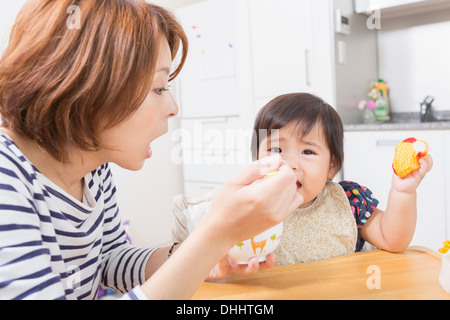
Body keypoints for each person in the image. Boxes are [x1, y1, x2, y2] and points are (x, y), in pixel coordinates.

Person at [0, 0, 303, 300]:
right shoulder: (6, 178)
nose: (173, 108)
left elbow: (110, 259)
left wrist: (204, 255)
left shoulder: (93, 168)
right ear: (87, 86)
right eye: (159, 88)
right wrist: (213, 237)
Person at [172, 93, 433, 265]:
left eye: (308, 151)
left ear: (332, 166)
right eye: (276, 149)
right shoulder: (246, 204)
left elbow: (393, 239)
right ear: (257, 160)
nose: (290, 163)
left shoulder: (349, 201)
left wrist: (403, 192)